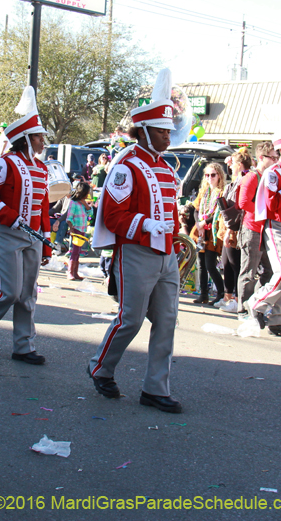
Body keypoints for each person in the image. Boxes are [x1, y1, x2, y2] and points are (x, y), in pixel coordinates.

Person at [88, 69, 182, 413]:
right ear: (142, 131)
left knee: (167, 320)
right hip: (136, 253)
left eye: (169, 130)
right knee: (131, 318)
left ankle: (155, 388)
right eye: (161, 131)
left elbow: (168, 212)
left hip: (166, 255)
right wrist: (148, 226)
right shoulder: (125, 165)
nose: (168, 138)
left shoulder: (167, 168)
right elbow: (113, 216)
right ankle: (101, 366)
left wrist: (174, 232)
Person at [0, 86, 51, 365]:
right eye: (39, 136)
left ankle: (23, 346)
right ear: (26, 138)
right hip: (8, 234)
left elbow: (42, 206)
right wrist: (10, 216)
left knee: (28, 295)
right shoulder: (3, 164)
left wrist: (46, 238)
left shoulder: (42, 169)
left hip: (34, 238)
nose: (43, 141)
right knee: (10, 291)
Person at [245, 114, 281, 338]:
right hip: (275, 225)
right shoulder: (273, 173)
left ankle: (280, 319)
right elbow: (272, 203)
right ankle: (257, 302)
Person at [237, 141, 274, 308]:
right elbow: (243, 202)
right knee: (248, 272)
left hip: (265, 229)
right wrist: (263, 212)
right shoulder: (252, 176)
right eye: (272, 157)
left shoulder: (269, 177)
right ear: (261, 157)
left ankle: (254, 301)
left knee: (270, 270)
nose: (275, 160)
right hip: (252, 229)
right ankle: (243, 307)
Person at [216, 150, 251, 313]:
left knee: (235, 263)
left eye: (233, 163)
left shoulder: (244, 180)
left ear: (239, 165)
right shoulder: (234, 181)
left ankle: (238, 299)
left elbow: (237, 207)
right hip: (228, 225)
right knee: (226, 263)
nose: (230, 165)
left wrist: (231, 229)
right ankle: (227, 296)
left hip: (236, 227)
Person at [191, 162, 227, 305]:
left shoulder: (221, 192)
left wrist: (204, 223)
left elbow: (218, 213)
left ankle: (222, 292)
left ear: (219, 176)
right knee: (201, 264)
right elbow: (196, 209)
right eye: (207, 175)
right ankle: (203, 294)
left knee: (210, 265)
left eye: (213, 175)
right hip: (200, 233)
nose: (210, 178)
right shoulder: (203, 191)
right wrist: (198, 224)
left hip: (212, 232)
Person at [66, 182, 92, 280]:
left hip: (82, 229)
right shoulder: (73, 203)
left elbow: (90, 212)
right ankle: (70, 272)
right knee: (75, 251)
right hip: (76, 229)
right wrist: (71, 228)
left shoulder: (82, 203)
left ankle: (75, 272)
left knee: (78, 251)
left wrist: (85, 204)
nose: (88, 195)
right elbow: (69, 217)